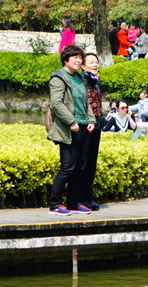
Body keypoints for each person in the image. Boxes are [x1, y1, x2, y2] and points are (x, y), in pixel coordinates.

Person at [47, 44, 96, 215]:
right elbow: (56, 104)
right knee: (68, 167)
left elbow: (86, 102)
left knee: (80, 167)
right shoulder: (59, 78)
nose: (78, 60)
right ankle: (55, 204)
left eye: (80, 57)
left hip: (83, 127)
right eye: (75, 57)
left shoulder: (80, 78)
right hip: (69, 128)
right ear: (65, 59)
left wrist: (91, 119)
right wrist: (71, 121)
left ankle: (73, 203)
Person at [80, 52, 105, 210]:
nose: (95, 64)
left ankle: (88, 197)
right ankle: (80, 198)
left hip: (97, 124)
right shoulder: (81, 80)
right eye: (91, 62)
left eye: (96, 62)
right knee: (83, 163)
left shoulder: (96, 81)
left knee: (91, 164)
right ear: (83, 66)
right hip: (85, 124)